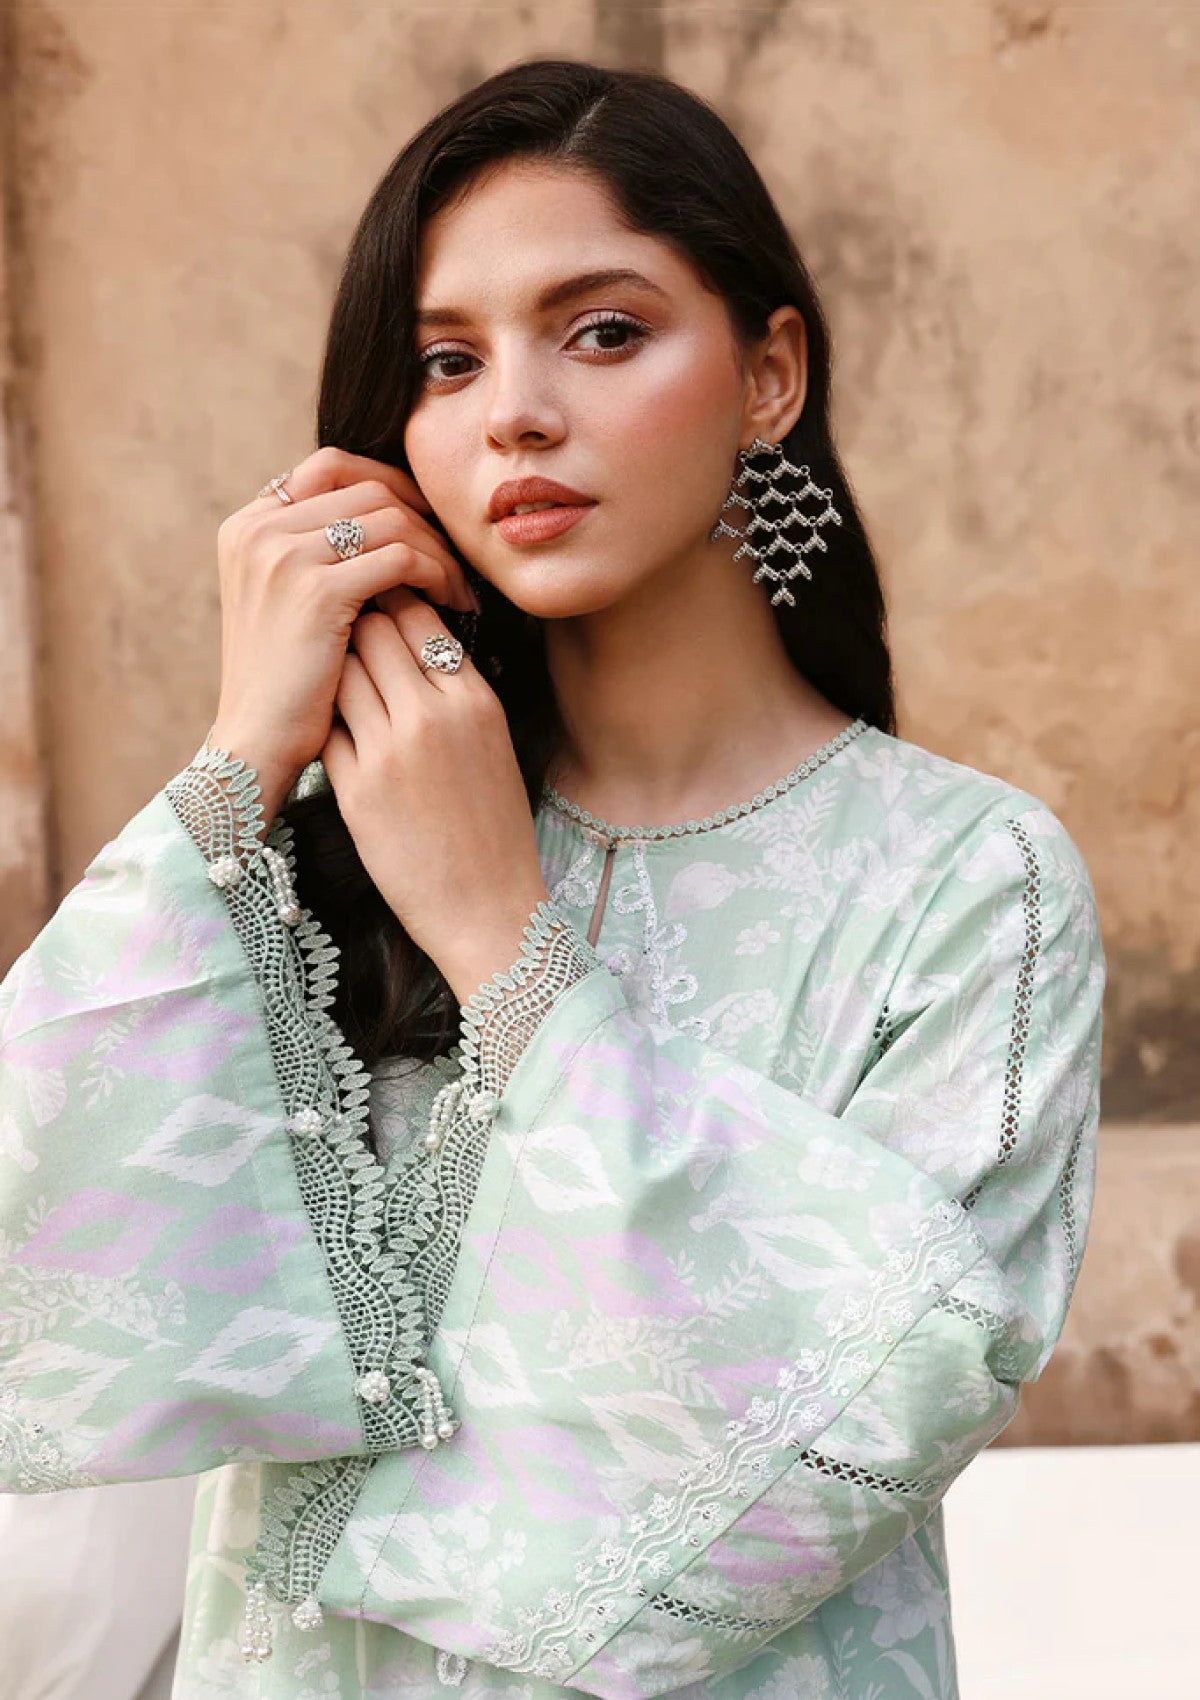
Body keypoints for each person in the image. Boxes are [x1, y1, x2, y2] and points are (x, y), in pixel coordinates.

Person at [0, 55, 1104, 1700]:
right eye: (447, 361)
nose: (513, 409)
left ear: (769, 375)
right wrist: (240, 760)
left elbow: (883, 1402)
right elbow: (57, 1270)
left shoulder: (968, 882)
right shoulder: (312, 852)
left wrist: (504, 945)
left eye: (601, 331)